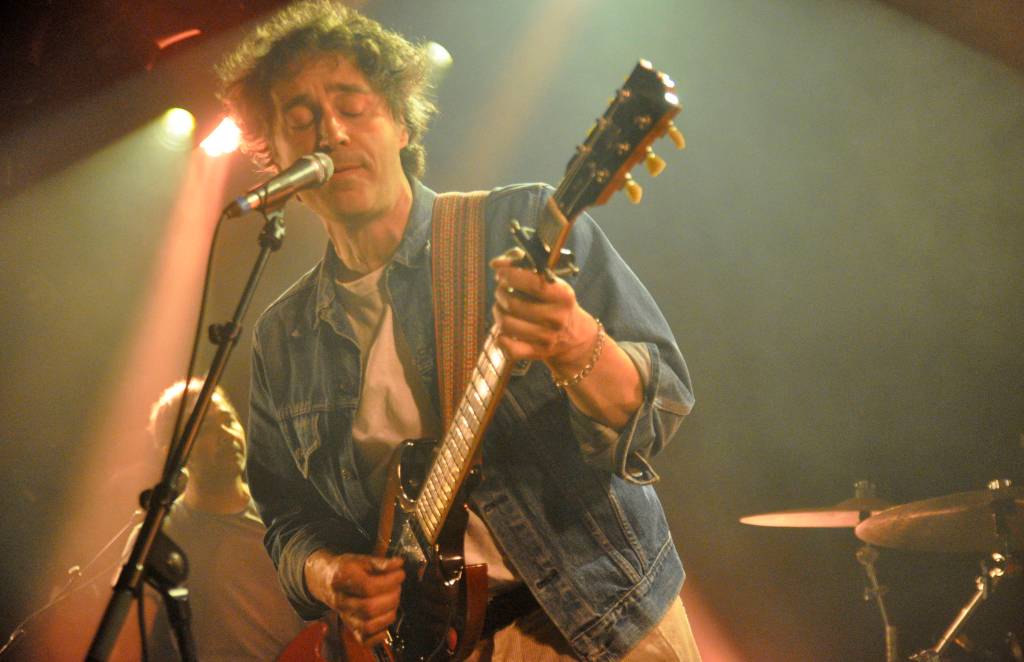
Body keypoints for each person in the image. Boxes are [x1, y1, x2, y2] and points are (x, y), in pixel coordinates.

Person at [218, 2, 700, 659]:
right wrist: (329, 574)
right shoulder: (283, 338)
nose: (330, 131)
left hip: (599, 620)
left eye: (352, 105)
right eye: (300, 119)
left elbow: (660, 403)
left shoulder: (513, 226)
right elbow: (286, 517)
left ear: (400, 124)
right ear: (275, 158)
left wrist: (573, 342)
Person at [118, 380, 305, 660]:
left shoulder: (285, 515)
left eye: (228, 420)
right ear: (174, 452)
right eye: (206, 428)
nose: (227, 434)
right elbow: (126, 648)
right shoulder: (158, 538)